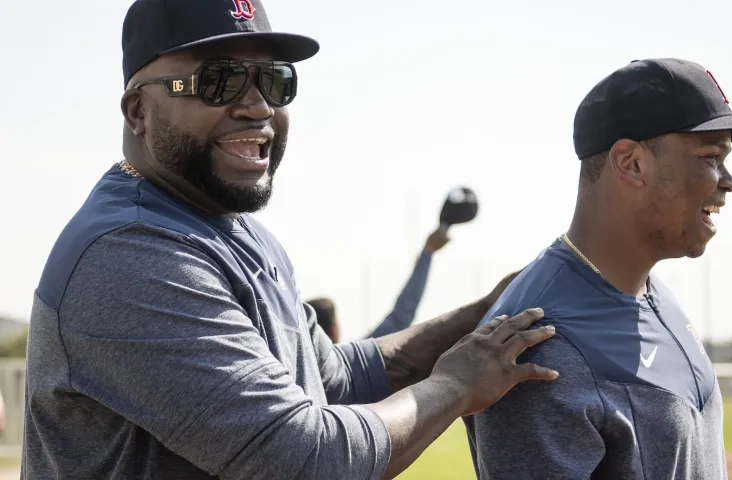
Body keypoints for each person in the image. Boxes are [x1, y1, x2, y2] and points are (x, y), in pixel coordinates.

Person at [21, 1, 560, 479]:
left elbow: (340, 378)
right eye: (220, 80)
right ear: (138, 110)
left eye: (274, 81)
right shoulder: (130, 253)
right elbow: (304, 461)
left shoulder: (241, 232)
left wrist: (487, 309)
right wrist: (455, 386)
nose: (257, 106)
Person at [464, 58, 732, 479]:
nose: (728, 181)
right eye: (710, 157)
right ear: (631, 163)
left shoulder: (654, 292)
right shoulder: (541, 346)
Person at [309, 225, 450, 343]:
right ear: (334, 329)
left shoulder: (291, 372)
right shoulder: (346, 365)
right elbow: (401, 314)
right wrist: (427, 253)